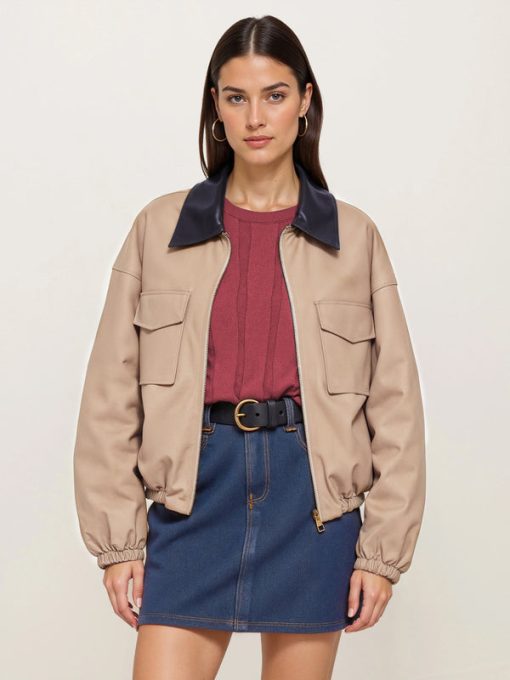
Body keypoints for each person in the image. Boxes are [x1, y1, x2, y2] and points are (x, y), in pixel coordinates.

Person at [73, 14, 426, 680]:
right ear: (216, 107)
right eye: (236, 97)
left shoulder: (353, 238)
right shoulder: (159, 229)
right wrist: (118, 542)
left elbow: (396, 407)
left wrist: (382, 553)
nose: (256, 117)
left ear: (305, 101)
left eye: (275, 95)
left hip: (310, 506)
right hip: (193, 497)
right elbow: (109, 397)